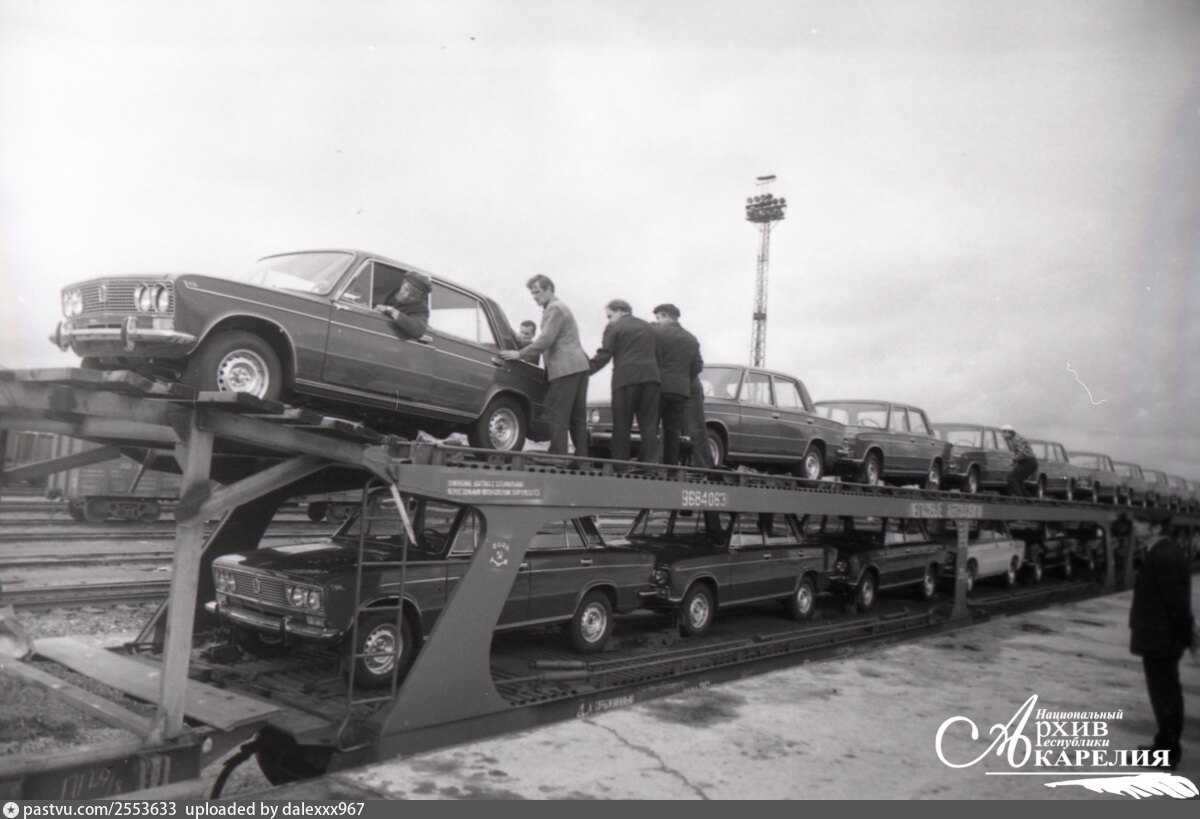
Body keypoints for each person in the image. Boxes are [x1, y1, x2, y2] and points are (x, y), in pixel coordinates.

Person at [1129, 517, 1196, 770]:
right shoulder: (1163, 552)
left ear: (1156, 527)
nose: (1136, 526)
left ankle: (1167, 752)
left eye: (1141, 523)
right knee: (1164, 693)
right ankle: (1164, 747)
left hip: (1162, 638)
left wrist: (1187, 637)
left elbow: (1176, 603)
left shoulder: (1164, 556)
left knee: (1165, 695)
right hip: (1161, 636)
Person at [499, 276, 590, 456]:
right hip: (579, 367)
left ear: (549, 289)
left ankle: (557, 455)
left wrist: (519, 354)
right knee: (577, 416)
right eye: (532, 293)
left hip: (564, 369)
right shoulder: (561, 307)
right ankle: (582, 458)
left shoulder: (554, 308)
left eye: (537, 292)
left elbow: (545, 340)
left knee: (558, 412)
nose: (534, 297)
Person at [589, 300, 661, 464]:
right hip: (651, 379)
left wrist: (587, 370)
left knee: (622, 425)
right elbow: (658, 355)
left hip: (625, 380)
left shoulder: (614, 327)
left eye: (609, 316)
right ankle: (651, 466)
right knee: (649, 426)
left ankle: (620, 465)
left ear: (619, 311)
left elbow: (605, 354)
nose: (609, 320)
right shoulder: (649, 327)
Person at [651, 304, 703, 466]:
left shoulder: (656, 334)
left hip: (658, 387)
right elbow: (698, 366)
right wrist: (683, 378)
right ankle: (671, 469)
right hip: (680, 391)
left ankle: (648, 465)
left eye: (658, 318)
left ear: (666, 316)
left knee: (650, 427)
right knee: (673, 431)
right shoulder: (691, 338)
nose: (657, 322)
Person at [376, 272, 431, 338]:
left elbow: (418, 330)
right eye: (406, 289)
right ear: (403, 283)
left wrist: (392, 311)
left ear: (420, 298)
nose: (406, 296)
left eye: (413, 295)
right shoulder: (382, 293)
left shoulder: (420, 309)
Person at [1000, 424, 1037, 497]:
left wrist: (1013, 460)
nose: (1002, 435)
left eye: (1003, 432)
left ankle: (1021, 498)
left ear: (1008, 432)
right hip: (1029, 462)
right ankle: (1027, 499)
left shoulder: (1016, 439)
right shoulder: (1014, 439)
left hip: (1029, 462)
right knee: (1018, 480)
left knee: (1011, 478)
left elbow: (1022, 453)